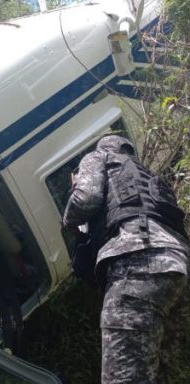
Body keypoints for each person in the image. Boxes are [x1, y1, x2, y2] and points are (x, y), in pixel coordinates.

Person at [62, 135, 190, 384]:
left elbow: (85, 199)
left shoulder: (99, 157)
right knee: (164, 374)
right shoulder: (149, 176)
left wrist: (67, 219)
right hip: (179, 271)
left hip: (138, 266)